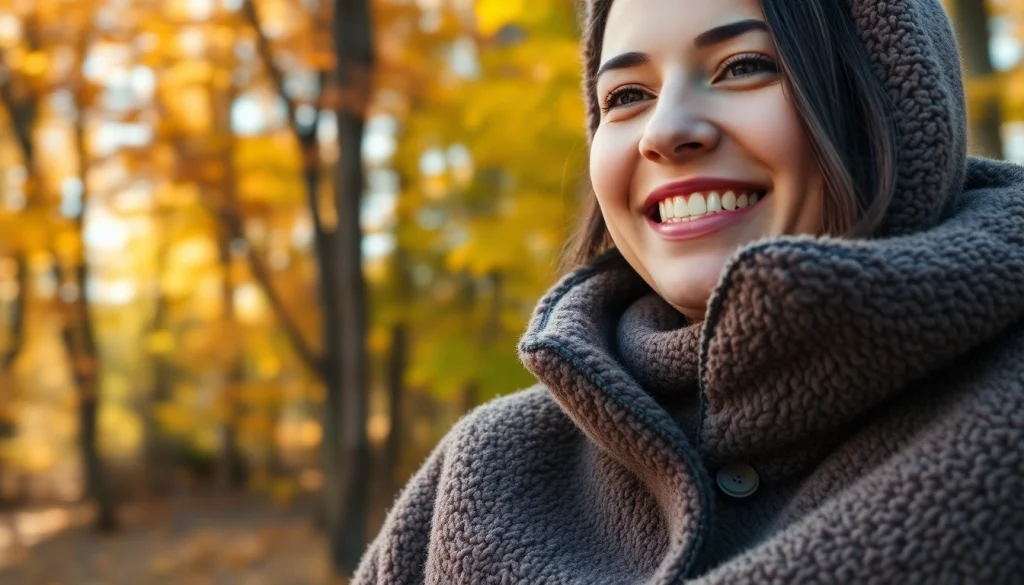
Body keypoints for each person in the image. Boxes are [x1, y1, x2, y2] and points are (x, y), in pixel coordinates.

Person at [355, 0, 1024, 582]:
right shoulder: (476, 477)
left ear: (889, 95)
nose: (665, 131)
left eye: (742, 66)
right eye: (625, 96)